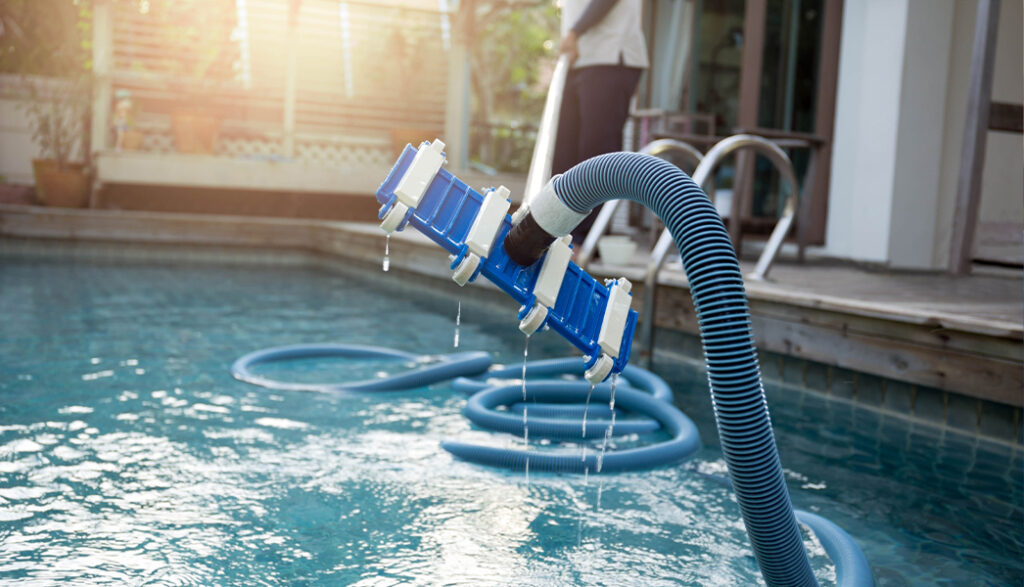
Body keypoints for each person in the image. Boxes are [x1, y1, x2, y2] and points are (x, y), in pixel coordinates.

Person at [553, 0, 648, 245]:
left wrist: (574, 32)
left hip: (611, 56)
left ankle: (587, 240)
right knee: (564, 154)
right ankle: (560, 234)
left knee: (595, 156)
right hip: (577, 60)